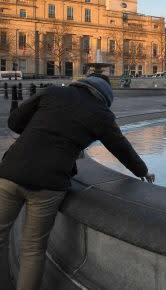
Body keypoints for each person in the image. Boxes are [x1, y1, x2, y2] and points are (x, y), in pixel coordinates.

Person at [0, 73, 155, 290]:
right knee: (33, 249)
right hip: (49, 183)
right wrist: (142, 171)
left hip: (11, 172)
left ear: (82, 83)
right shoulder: (101, 115)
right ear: (105, 97)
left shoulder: (53, 92)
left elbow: (15, 123)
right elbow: (121, 148)